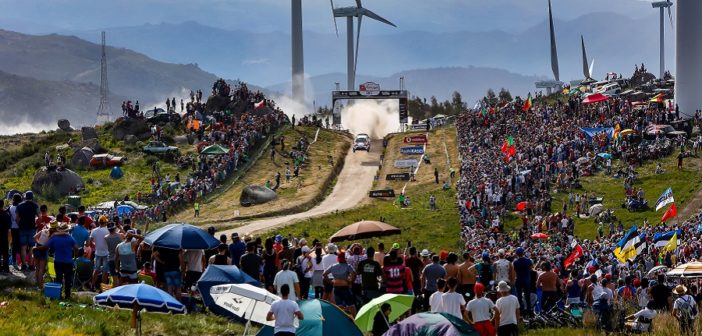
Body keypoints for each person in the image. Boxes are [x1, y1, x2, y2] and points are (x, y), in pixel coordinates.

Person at [44, 223, 78, 299]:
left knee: (58, 278)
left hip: (58, 261)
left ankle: (58, 294)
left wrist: (51, 237)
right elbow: (76, 248)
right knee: (68, 279)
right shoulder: (70, 238)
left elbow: (46, 246)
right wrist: (75, 257)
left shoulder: (54, 238)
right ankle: (67, 295)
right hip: (68, 261)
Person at [323, 252, 356, 316]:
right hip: (345, 287)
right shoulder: (348, 266)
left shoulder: (333, 266)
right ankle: (355, 319)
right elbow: (354, 274)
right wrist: (351, 281)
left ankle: (342, 319)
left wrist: (330, 282)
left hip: (336, 287)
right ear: (345, 258)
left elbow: (324, 274)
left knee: (339, 306)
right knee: (351, 305)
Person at [16, 191, 39, 272]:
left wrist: (20, 225)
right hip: (32, 228)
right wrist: (36, 224)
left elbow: (17, 218)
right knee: (32, 247)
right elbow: (39, 217)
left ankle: (24, 265)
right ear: (32, 197)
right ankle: (31, 265)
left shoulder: (20, 205)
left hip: (22, 228)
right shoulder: (35, 205)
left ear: (25, 197)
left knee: (23, 247)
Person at [89, 216, 110, 288]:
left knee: (96, 270)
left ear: (99, 222)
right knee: (105, 271)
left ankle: (92, 286)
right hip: (107, 253)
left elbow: (89, 243)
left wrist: (96, 245)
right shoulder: (108, 230)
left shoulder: (94, 231)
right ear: (106, 222)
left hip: (97, 252)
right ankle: (103, 288)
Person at [512, 247, 533, 316]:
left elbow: (514, 271)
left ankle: (521, 310)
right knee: (527, 296)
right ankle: (529, 310)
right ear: (523, 253)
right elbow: (530, 269)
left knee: (519, 296)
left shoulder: (515, 262)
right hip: (527, 280)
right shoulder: (528, 260)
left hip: (519, 280)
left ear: (517, 254)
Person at [0, 200, 10, 273]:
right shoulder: (6, 215)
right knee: (5, 253)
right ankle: (6, 268)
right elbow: (9, 228)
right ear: (3, 205)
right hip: (4, 236)